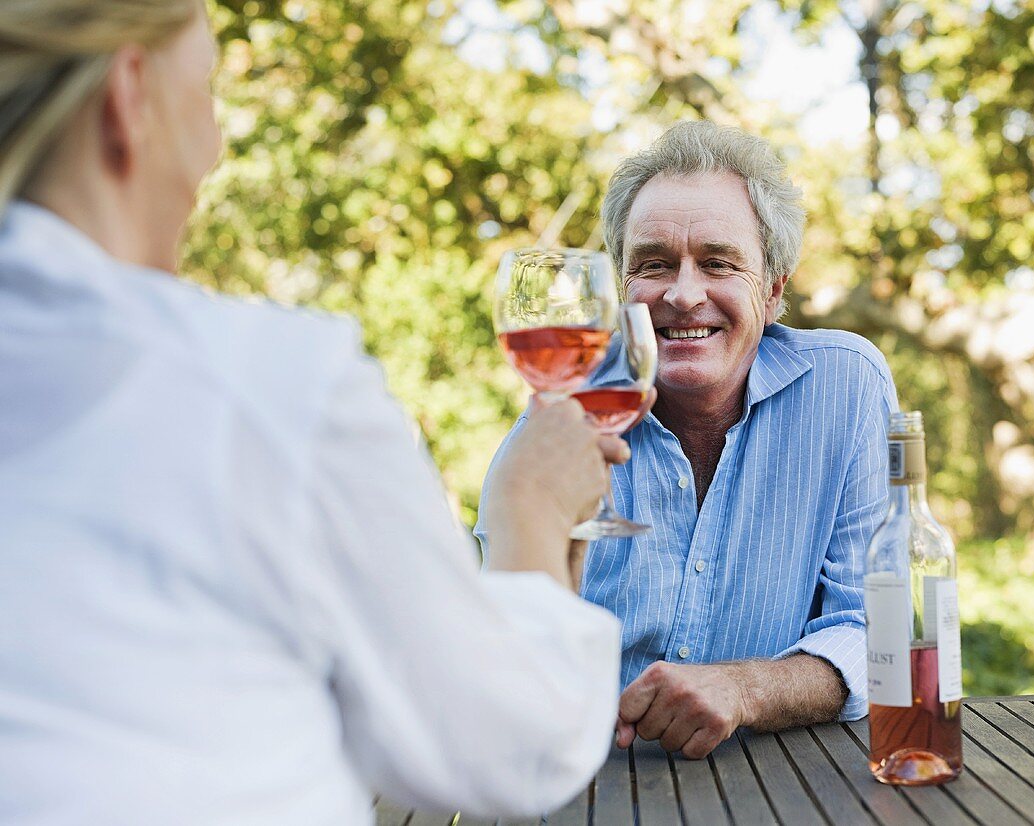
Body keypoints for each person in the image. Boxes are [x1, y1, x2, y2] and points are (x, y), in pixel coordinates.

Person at [0, 1, 631, 822]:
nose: (216, 147)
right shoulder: (263, 386)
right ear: (131, 97)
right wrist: (534, 511)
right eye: (208, 94)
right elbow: (511, 751)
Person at [478, 121, 898, 760]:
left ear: (775, 287)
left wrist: (745, 690)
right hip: (591, 781)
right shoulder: (561, 417)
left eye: (718, 262)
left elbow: (877, 629)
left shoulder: (846, 387)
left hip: (791, 782)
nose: (682, 293)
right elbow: (503, 658)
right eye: (653, 264)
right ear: (621, 288)